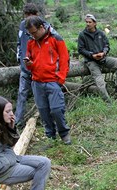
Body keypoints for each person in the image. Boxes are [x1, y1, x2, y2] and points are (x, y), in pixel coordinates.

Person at [25, 15, 71, 144]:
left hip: (53, 81)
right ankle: (50, 137)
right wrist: (29, 64)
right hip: (37, 82)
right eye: (30, 33)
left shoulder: (56, 39)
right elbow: (30, 61)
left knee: (57, 109)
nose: (33, 35)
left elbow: (64, 60)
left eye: (34, 32)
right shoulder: (31, 42)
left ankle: (64, 134)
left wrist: (60, 79)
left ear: (41, 27)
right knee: (43, 111)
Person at [77, 14, 117, 102]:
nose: (87, 24)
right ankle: (107, 101)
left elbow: (107, 45)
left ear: (95, 23)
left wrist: (104, 52)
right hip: (91, 61)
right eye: (86, 22)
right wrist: (91, 55)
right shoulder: (82, 35)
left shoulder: (101, 33)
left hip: (103, 58)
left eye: (90, 22)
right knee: (100, 80)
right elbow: (80, 49)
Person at [14, 3, 40, 129]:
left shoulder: (43, 26)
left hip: (38, 68)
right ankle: (17, 122)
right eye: (27, 15)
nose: (28, 18)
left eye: (31, 15)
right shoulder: (22, 25)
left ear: (37, 15)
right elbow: (19, 43)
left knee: (40, 93)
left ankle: (43, 117)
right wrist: (19, 58)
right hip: (25, 68)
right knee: (21, 93)